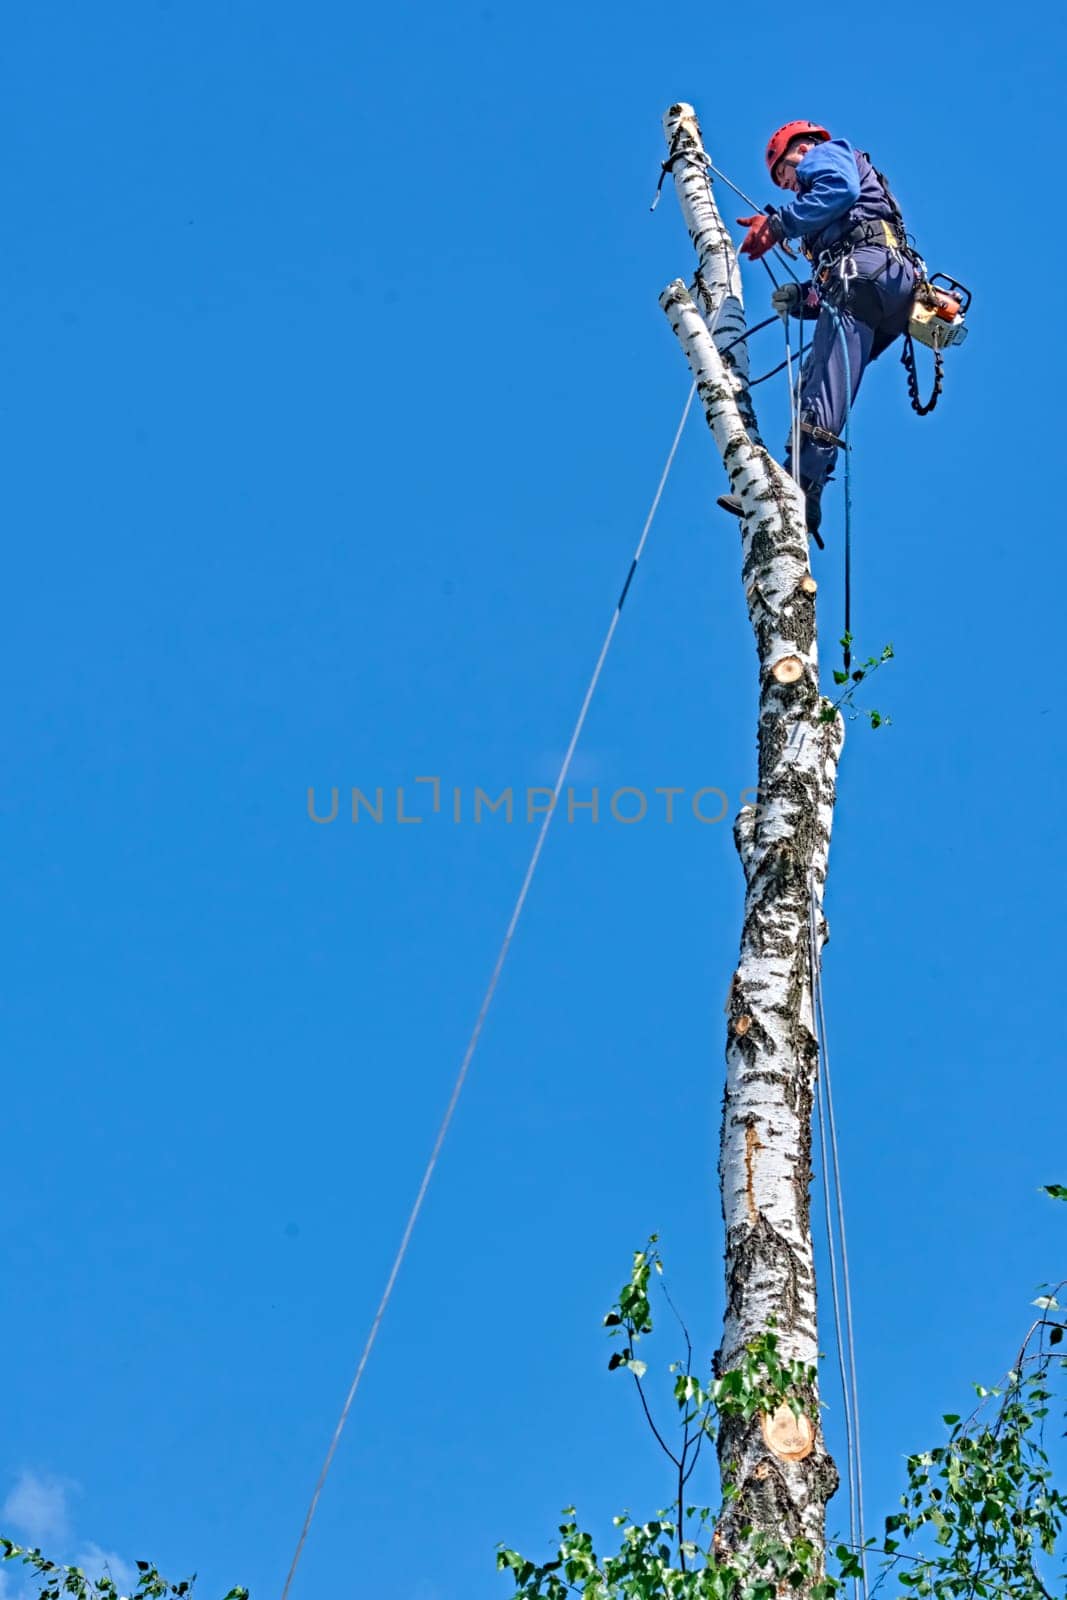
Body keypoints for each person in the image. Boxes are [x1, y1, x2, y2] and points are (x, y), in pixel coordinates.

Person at [717, 121, 919, 544]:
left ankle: (795, 486)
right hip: (880, 286)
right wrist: (803, 296)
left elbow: (840, 191)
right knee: (823, 383)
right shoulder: (833, 215)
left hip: (865, 274)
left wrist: (777, 225)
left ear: (801, 149)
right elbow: (844, 256)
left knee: (820, 390)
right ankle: (806, 489)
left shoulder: (825, 157)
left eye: (783, 173)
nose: (788, 186)